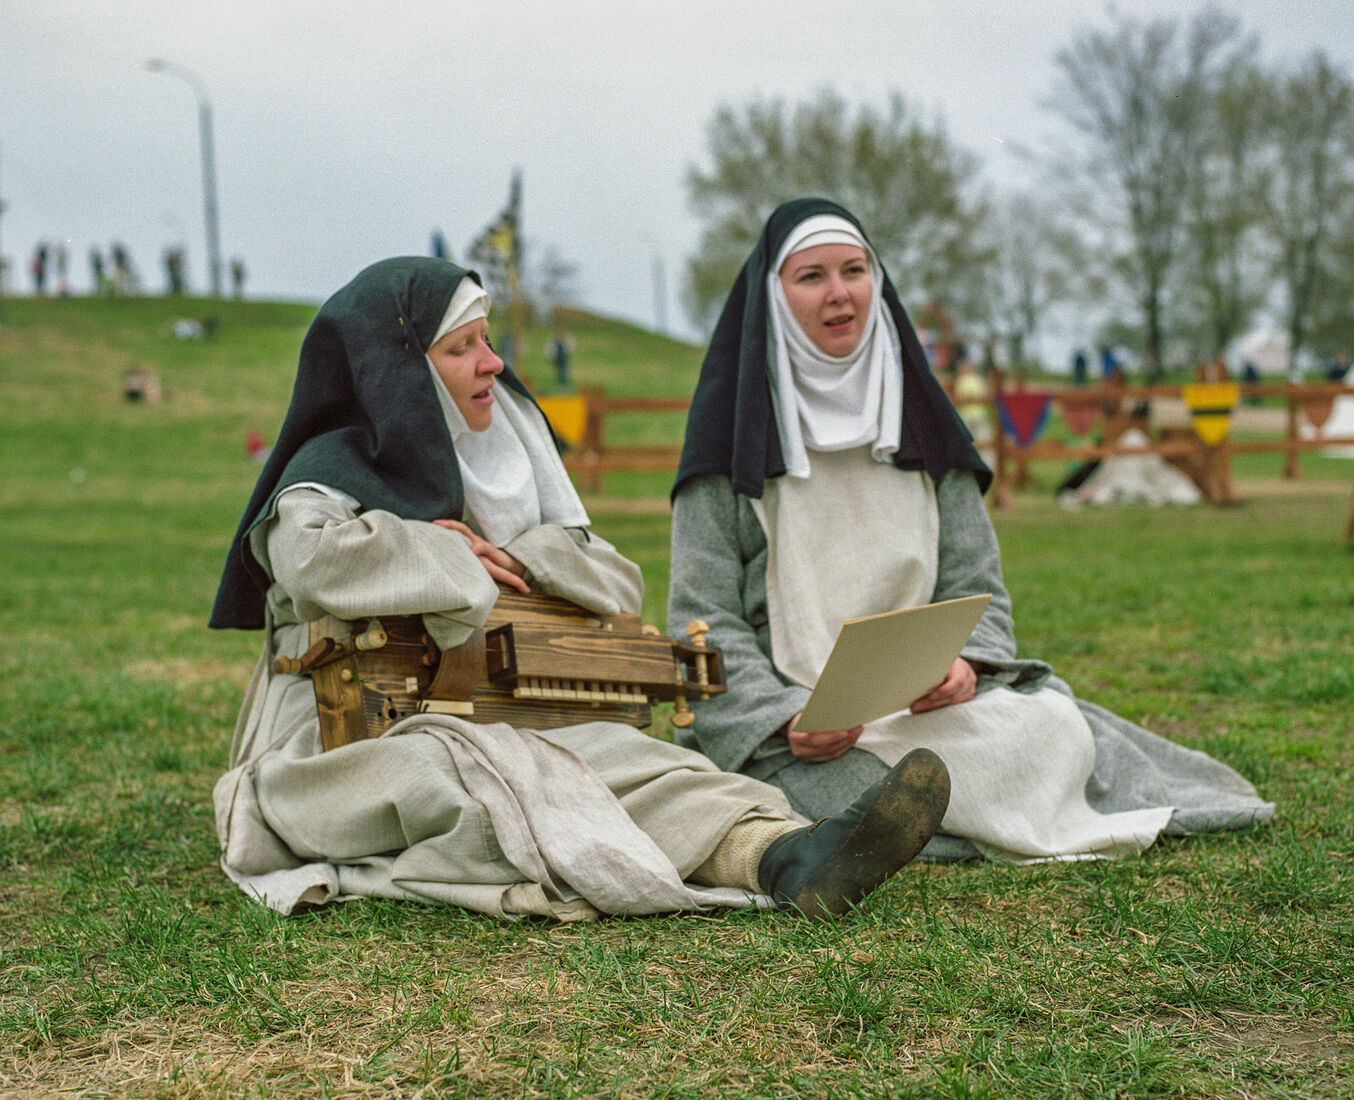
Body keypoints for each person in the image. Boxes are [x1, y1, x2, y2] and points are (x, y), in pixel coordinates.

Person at [208, 255, 949, 921]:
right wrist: (439, 549)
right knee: (453, 777)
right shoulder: (322, 478)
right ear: (396, 370)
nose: (493, 363)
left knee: (628, 759)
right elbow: (305, 561)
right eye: (461, 348)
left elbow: (616, 578)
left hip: (508, 715)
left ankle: (785, 856)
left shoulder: (513, 459)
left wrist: (521, 555)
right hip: (346, 746)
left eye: (488, 341)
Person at [668, 198, 1273, 864]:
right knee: (855, 786)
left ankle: (936, 821)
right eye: (811, 277)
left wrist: (964, 665)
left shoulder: (924, 429)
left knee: (1044, 727)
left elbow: (976, 588)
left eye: (854, 270)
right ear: (773, 299)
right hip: (804, 725)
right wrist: (780, 718)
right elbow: (704, 620)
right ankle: (908, 816)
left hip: (928, 712)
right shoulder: (725, 455)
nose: (839, 294)